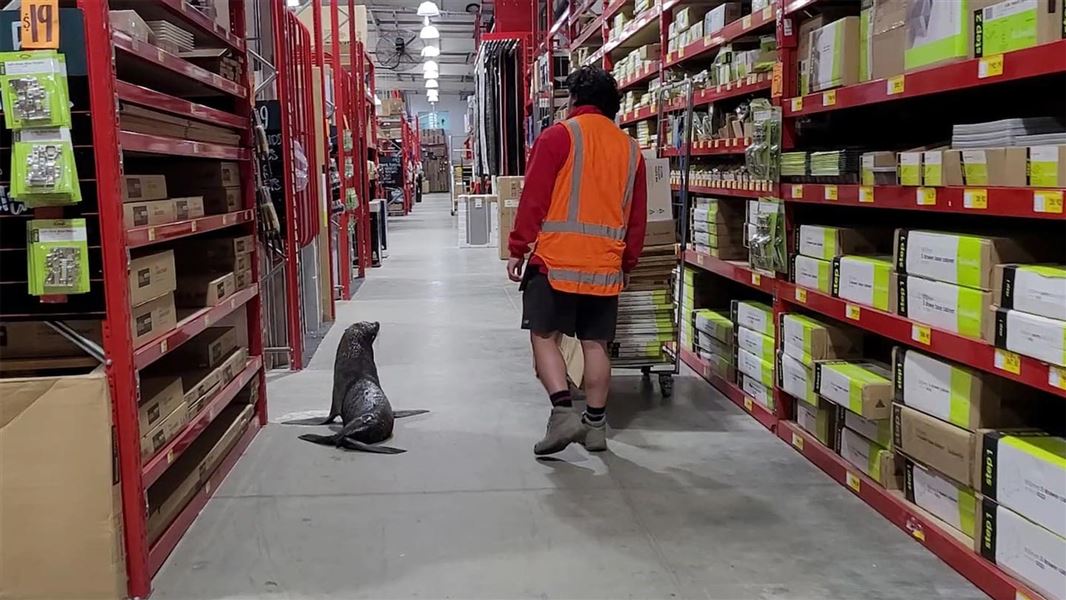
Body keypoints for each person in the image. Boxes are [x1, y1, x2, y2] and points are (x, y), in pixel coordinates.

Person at [506, 66, 647, 456]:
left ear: (574, 100)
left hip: (555, 263)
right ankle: (596, 427)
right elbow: (636, 218)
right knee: (596, 344)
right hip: (605, 267)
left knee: (543, 336)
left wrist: (518, 247)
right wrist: (628, 263)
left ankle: (562, 412)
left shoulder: (558, 137)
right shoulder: (631, 150)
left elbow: (533, 199)